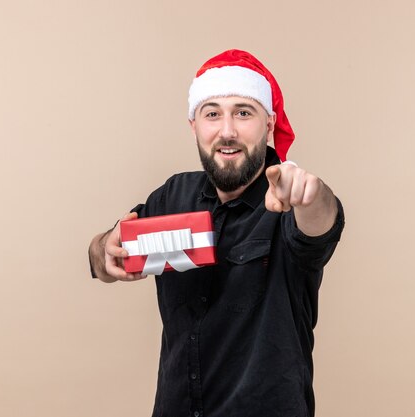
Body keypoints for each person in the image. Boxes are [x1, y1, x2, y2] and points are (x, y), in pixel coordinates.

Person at [88, 49, 345, 417]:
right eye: (212, 114)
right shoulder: (171, 196)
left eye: (243, 112)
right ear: (194, 125)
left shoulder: (286, 203)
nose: (227, 131)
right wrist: (105, 247)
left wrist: (310, 195)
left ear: (268, 124)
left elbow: (320, 222)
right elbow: (101, 259)